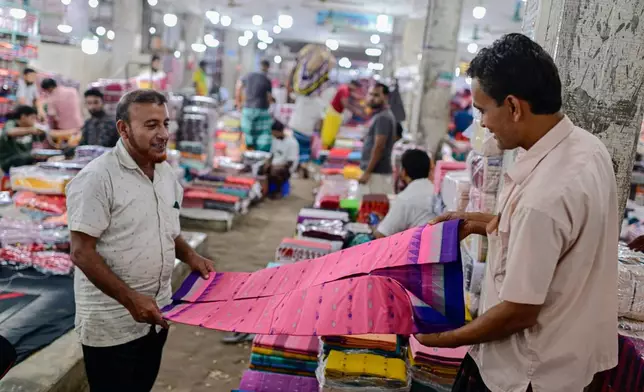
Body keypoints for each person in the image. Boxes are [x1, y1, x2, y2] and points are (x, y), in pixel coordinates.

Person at [415, 33, 617, 392]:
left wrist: (446, 339)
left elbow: (519, 312)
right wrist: (477, 222)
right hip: (570, 360)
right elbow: (550, 245)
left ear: (513, 106)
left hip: (528, 373)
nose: (483, 124)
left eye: (482, 110)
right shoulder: (587, 148)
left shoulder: (544, 198)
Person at [66, 90, 215, 392]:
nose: (162, 134)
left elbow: (167, 230)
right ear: (123, 129)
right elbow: (81, 253)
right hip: (112, 322)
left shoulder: (166, 174)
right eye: (150, 125)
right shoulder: (97, 178)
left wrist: (190, 256)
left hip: (157, 313)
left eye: (165, 124)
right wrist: (130, 299)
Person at [374, 149, 435, 238]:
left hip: (416, 248)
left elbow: (381, 235)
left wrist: (373, 227)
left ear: (404, 172)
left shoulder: (405, 198)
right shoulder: (436, 190)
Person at [359, 83, 396, 195]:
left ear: (385, 97)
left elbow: (379, 147)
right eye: (370, 94)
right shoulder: (380, 115)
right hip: (375, 172)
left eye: (376, 95)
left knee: (374, 208)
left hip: (376, 174)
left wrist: (367, 172)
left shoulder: (383, 117)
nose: (372, 98)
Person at [238, 59, 273, 152]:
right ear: (267, 68)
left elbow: (238, 87)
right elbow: (269, 97)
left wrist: (238, 103)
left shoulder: (249, 75)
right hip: (262, 110)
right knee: (262, 139)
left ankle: (247, 157)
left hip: (248, 109)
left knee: (247, 136)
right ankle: (259, 160)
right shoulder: (266, 79)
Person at [40, 78, 83, 147]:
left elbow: (52, 116)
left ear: (49, 88)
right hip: (79, 125)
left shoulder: (52, 98)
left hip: (65, 130)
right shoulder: (73, 91)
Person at [321, 80, 364, 148]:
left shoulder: (346, 89)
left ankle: (328, 147)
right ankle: (325, 149)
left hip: (336, 113)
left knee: (333, 132)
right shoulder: (344, 89)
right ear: (352, 85)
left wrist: (358, 105)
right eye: (355, 88)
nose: (355, 89)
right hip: (333, 113)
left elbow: (353, 97)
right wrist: (356, 111)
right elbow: (345, 104)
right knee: (329, 133)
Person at [0, 105, 43, 173]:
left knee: (40, 157)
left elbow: (49, 135)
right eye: (32, 118)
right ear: (23, 117)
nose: (35, 121)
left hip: (25, 159)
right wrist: (31, 130)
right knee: (30, 156)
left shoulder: (32, 127)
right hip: (8, 161)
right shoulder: (11, 123)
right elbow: (10, 132)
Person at [267, 120, 299, 198]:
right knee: (262, 169)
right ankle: (269, 190)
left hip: (286, 168)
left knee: (275, 171)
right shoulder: (275, 140)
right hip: (275, 165)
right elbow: (272, 155)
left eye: (274, 133)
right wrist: (267, 164)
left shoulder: (292, 143)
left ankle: (279, 191)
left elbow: (290, 163)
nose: (273, 134)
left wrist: (275, 166)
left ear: (280, 131)